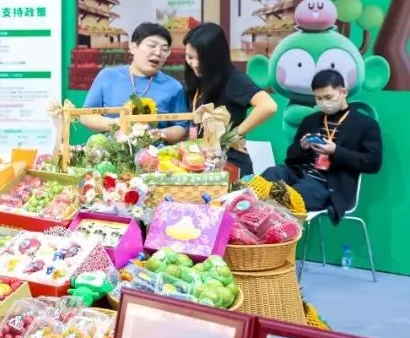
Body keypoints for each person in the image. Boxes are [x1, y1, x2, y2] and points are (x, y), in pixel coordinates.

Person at [261, 70, 381, 221]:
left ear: (343, 92)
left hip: (329, 184)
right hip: (300, 173)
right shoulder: (311, 120)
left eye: (328, 97)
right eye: (318, 98)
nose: (323, 102)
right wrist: (302, 148)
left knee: (293, 195)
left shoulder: (365, 124)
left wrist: (336, 151)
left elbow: (373, 163)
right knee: (269, 176)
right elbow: (290, 159)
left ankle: (274, 230)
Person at [183, 22, 278, 175]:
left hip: (229, 163)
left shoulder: (233, 79)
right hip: (204, 160)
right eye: (189, 57)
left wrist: (234, 135)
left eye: (201, 59)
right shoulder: (201, 77)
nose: (194, 64)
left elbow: (268, 106)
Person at [80, 22, 188, 140]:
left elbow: (182, 126)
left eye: (164, 49)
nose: (158, 53)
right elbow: (86, 115)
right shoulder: (107, 76)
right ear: (133, 47)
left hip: (155, 150)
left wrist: (158, 134)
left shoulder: (174, 87)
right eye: (152, 46)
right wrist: (118, 123)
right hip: (110, 148)